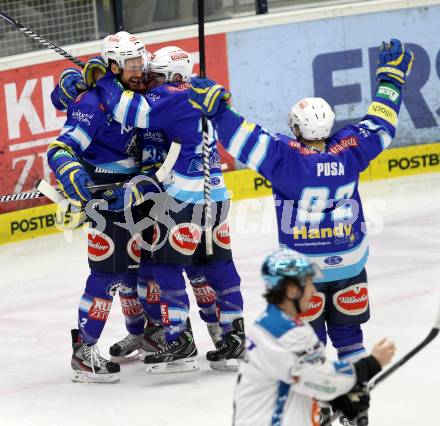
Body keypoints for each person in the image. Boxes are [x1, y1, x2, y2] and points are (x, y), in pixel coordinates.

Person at [189, 38, 412, 423]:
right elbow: (382, 122)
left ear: (296, 128)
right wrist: (390, 78)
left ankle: (322, 403)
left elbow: (243, 138)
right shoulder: (351, 147)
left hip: (305, 273)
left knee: (311, 346)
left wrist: (219, 111)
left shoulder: (284, 157)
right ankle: (357, 409)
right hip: (350, 267)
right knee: (351, 340)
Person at [83, 45, 245, 373]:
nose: (148, 81)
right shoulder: (200, 90)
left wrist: (107, 80)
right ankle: (234, 336)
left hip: (184, 199)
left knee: (164, 264)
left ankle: (177, 337)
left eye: (155, 75)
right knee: (218, 265)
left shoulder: (172, 95)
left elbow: (128, 109)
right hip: (216, 197)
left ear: (172, 77)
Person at [47, 31, 151, 383]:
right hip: (106, 203)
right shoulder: (94, 102)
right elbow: (60, 149)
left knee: (135, 272)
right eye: (131, 64)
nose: (139, 69)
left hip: (139, 197)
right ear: (113, 65)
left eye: (141, 61)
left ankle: (141, 332)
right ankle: (84, 350)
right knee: (106, 276)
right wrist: (72, 173)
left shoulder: (141, 92)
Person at [233, 248, 396, 426]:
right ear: (292, 290)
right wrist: (372, 363)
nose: (312, 290)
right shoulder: (287, 333)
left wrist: (338, 399)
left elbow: (305, 379)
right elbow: (324, 381)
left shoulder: (273, 323)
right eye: (309, 283)